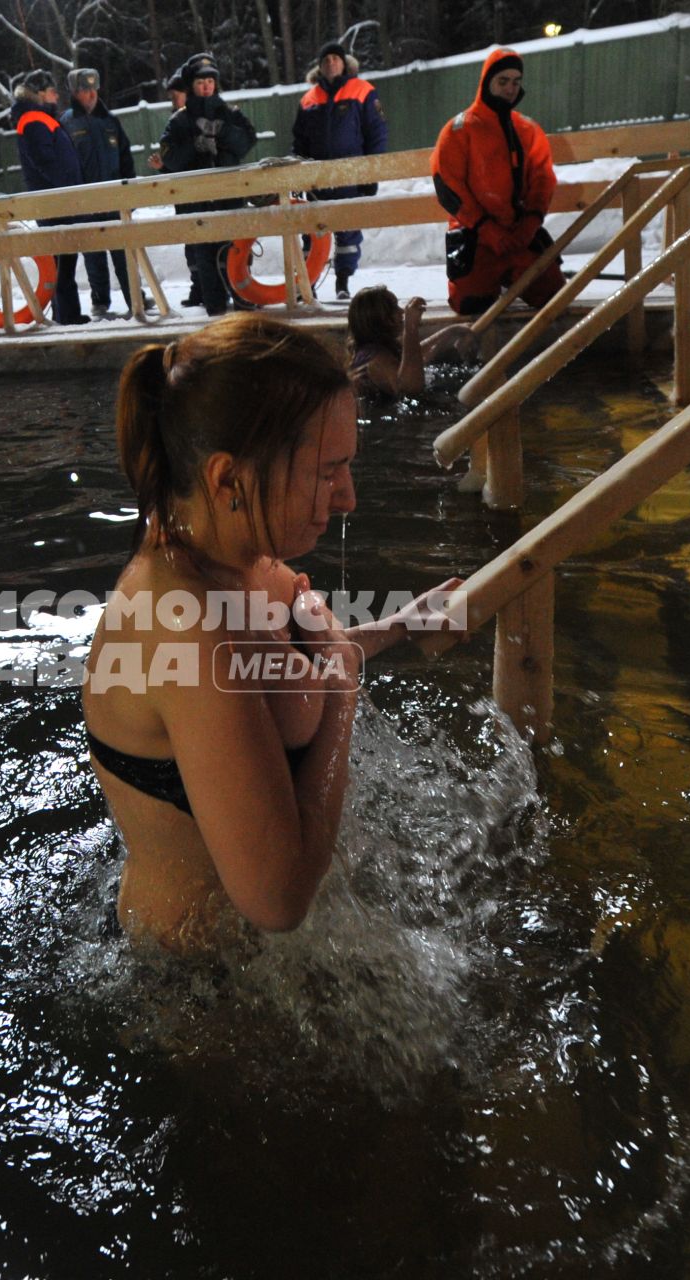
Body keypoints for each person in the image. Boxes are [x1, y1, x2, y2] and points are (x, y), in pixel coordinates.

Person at [81, 314, 458, 951]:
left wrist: (404, 623)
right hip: (198, 989)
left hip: (265, 969)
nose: (348, 499)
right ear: (228, 479)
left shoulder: (246, 558)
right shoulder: (181, 629)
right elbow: (277, 899)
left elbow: (301, 659)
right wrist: (340, 690)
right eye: (326, 472)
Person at [431, 48, 566, 317]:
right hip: (475, 236)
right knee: (469, 305)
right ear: (487, 81)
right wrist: (486, 230)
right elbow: (448, 186)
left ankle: (515, 276)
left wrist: (529, 225)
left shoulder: (529, 130)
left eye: (516, 82)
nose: (510, 88)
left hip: (520, 236)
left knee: (553, 296)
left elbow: (542, 180)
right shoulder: (459, 130)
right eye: (503, 81)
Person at [159, 55, 258, 317]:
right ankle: (214, 310)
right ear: (191, 85)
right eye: (201, 82)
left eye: (210, 81)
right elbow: (169, 156)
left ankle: (242, 300)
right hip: (198, 203)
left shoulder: (230, 113)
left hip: (229, 199)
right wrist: (195, 145)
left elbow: (248, 141)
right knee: (206, 258)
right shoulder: (179, 121)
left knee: (235, 254)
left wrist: (224, 133)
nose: (206, 87)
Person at [291, 44, 389, 300]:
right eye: (326, 59)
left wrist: (371, 174)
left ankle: (342, 282)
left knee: (347, 233)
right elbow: (299, 141)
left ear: (344, 63)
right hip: (316, 179)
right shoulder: (308, 99)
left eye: (336, 58)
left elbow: (376, 134)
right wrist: (298, 174)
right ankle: (307, 285)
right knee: (313, 234)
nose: (331, 63)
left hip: (350, 175)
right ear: (320, 66)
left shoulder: (362, 90)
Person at [61, 68, 146, 316]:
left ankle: (136, 299)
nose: (90, 95)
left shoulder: (110, 121)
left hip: (115, 199)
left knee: (124, 254)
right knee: (94, 254)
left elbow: (125, 159)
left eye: (93, 89)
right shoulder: (66, 124)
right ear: (75, 93)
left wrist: (130, 194)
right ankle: (100, 301)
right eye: (84, 90)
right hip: (85, 204)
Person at [11, 69, 88, 325]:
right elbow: (45, 160)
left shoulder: (41, 118)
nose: (57, 94)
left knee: (63, 261)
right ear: (40, 94)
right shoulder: (34, 119)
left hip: (59, 199)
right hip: (54, 202)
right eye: (52, 90)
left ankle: (67, 314)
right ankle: (67, 316)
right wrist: (66, 187)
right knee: (61, 262)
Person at [346, 286, 474, 396]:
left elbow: (416, 356)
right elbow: (410, 388)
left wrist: (451, 332)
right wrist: (411, 327)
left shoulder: (378, 347)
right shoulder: (374, 359)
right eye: (394, 308)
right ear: (379, 320)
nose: (401, 311)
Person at [149, 67, 204, 309]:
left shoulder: (194, 119)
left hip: (199, 191)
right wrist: (163, 167)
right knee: (191, 245)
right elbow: (175, 164)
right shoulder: (175, 123)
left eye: (176, 94)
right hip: (183, 192)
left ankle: (210, 287)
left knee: (205, 242)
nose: (173, 100)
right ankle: (198, 287)